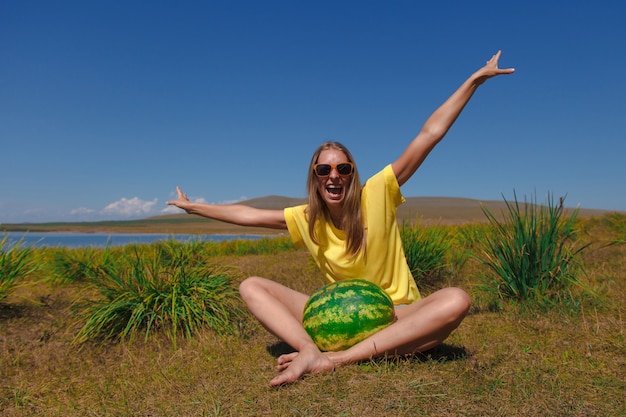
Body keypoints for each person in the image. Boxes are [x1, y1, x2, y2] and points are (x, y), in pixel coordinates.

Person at [167, 51, 515, 386]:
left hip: (398, 314)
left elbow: (429, 135)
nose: (333, 176)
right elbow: (248, 216)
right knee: (251, 286)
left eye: (342, 168)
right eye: (324, 169)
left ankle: (335, 358)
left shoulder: (378, 192)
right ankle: (310, 348)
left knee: (457, 299)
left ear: (352, 174)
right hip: (339, 316)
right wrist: (194, 207)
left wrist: (475, 80)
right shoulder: (306, 218)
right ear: (315, 177)